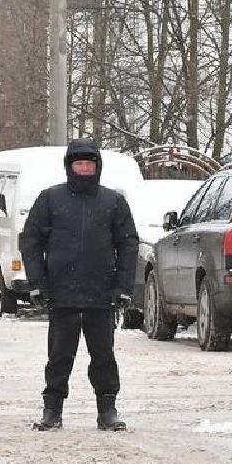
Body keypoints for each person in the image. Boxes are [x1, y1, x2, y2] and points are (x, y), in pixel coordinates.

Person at [19, 139, 139, 432]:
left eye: (89, 164)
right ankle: (52, 410)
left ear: (97, 167)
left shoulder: (113, 202)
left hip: (101, 295)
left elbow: (128, 245)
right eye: (78, 164)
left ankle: (107, 409)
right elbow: (31, 241)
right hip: (62, 294)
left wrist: (123, 286)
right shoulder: (50, 200)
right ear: (69, 166)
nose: (84, 169)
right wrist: (37, 282)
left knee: (104, 357)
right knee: (59, 357)